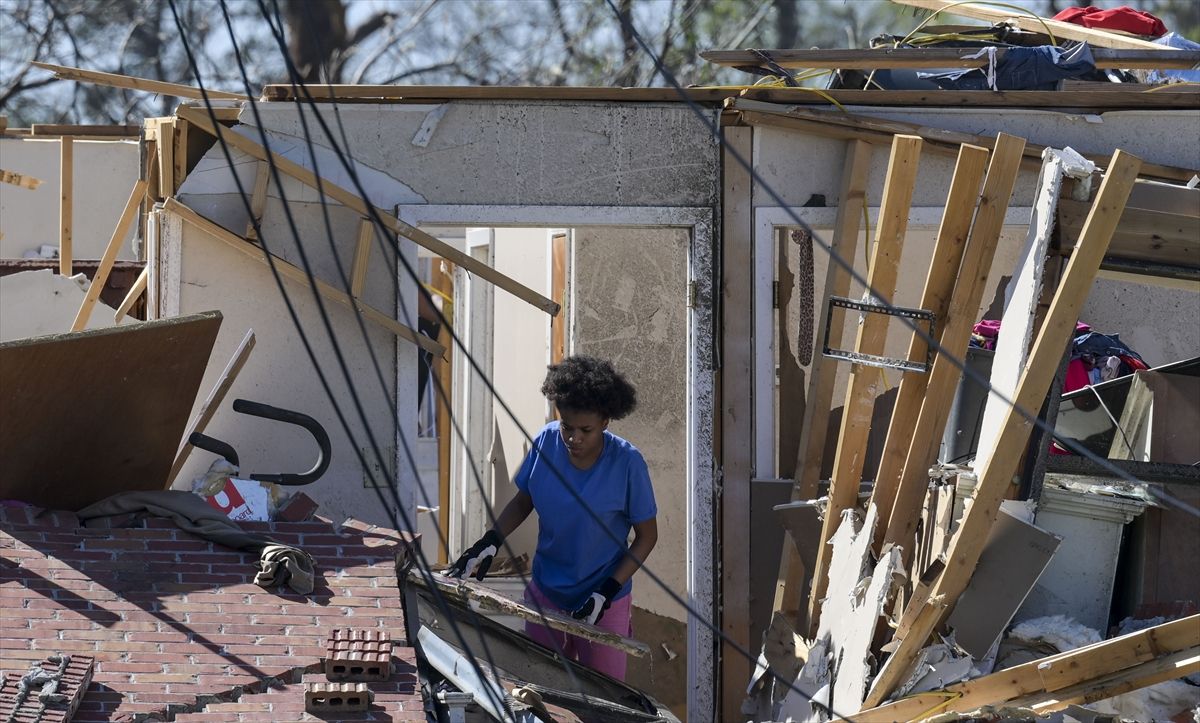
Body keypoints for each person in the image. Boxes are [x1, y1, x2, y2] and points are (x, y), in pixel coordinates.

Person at [447, 355, 657, 681]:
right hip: (547, 593)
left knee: (604, 702)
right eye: (567, 427)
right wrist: (489, 541)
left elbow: (647, 537)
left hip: (603, 600)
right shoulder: (546, 442)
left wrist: (607, 590)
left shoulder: (628, 464)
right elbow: (524, 499)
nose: (574, 438)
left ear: (605, 422)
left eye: (585, 430)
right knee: (543, 692)